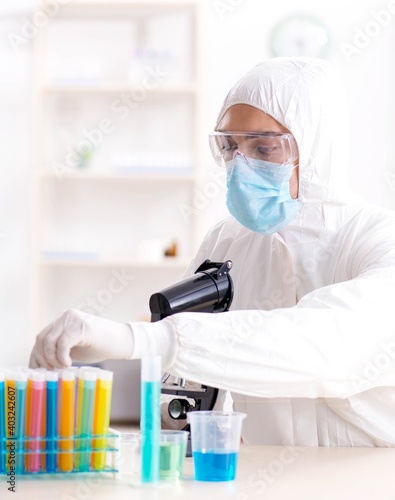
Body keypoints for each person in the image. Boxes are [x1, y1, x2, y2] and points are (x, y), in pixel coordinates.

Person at [29, 57, 395, 446]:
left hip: (368, 477)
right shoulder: (227, 242)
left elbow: (329, 346)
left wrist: (139, 340)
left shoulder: (375, 238)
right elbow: (189, 392)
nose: (241, 165)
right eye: (230, 145)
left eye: (264, 148)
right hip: (262, 477)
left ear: (316, 147)